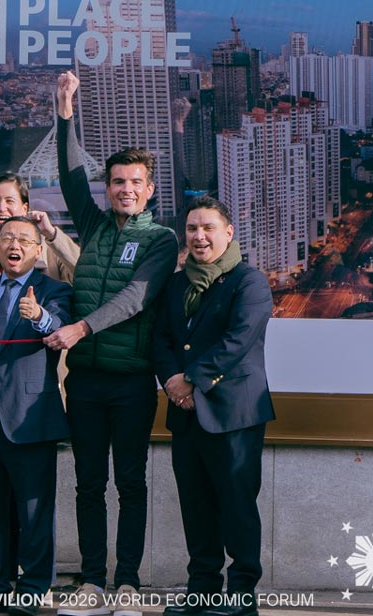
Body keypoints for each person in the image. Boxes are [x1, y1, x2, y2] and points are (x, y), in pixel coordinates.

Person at [49, 71, 180, 611]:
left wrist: (81, 328)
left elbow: (136, 297)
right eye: (117, 181)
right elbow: (70, 176)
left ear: (149, 190)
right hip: (84, 381)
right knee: (87, 483)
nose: (125, 189)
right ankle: (92, 581)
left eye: (135, 182)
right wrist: (65, 113)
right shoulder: (95, 225)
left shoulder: (161, 239)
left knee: (128, 482)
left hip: (130, 383)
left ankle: (127, 580)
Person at [152, 197, 275, 615]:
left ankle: (241, 596)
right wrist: (172, 382)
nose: (199, 236)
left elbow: (238, 340)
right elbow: (161, 339)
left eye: (208, 228)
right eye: (192, 229)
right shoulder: (176, 284)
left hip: (233, 413)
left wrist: (191, 379)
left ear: (228, 232)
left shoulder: (249, 282)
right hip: (186, 413)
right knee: (196, 507)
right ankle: (202, 591)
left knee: (237, 506)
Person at [0, 218, 73, 607]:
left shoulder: (54, 290)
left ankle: (34, 589)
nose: (14, 245)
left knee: (33, 509)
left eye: (24, 239)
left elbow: (58, 328)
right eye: (7, 238)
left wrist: (39, 316)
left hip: (28, 415)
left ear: (38, 250)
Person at [0, 175, 80, 283]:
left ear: (25, 208)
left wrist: (52, 234)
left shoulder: (50, 252)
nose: (1, 208)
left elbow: (85, 275)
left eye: (9, 201)